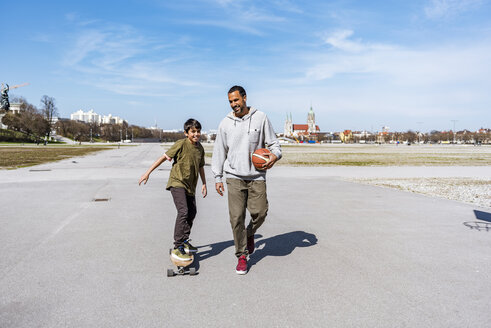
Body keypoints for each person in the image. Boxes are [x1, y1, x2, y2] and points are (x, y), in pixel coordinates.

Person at [212, 85, 282, 274]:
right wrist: (217, 177)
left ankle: (250, 233)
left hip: (256, 176)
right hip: (234, 176)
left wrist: (274, 156)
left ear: (244, 98)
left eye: (236, 100)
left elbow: (274, 144)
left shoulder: (261, 117)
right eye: (230, 102)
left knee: (260, 212)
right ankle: (241, 256)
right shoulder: (225, 123)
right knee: (236, 218)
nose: (233, 104)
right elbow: (220, 151)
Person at [139, 118, 207, 261]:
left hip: (191, 186)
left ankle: (184, 241)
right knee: (183, 211)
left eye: (198, 131)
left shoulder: (200, 148)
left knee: (192, 212)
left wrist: (204, 183)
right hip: (177, 182)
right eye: (193, 131)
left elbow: (201, 167)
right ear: (186, 133)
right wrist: (147, 173)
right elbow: (163, 158)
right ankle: (178, 246)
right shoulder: (180, 144)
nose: (196, 134)